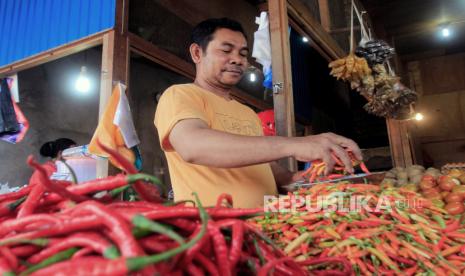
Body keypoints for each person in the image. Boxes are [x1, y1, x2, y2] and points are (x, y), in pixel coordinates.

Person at [154, 18, 362, 208]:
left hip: (265, 229)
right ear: (197, 53)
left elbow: (265, 167)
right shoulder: (180, 95)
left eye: (243, 54)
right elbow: (193, 146)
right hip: (216, 234)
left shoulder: (247, 112)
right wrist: (293, 144)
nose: (237, 60)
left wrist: (297, 178)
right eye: (226, 51)